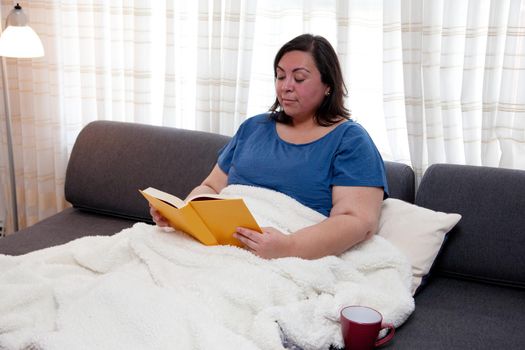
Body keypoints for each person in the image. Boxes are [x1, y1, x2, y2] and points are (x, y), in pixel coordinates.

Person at [151, 34, 388, 260]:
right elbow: (211, 187)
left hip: (286, 249)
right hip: (220, 242)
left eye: (299, 78)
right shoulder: (254, 127)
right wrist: (182, 215)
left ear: (328, 85)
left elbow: (358, 221)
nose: (286, 86)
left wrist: (289, 246)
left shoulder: (350, 140)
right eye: (280, 76)